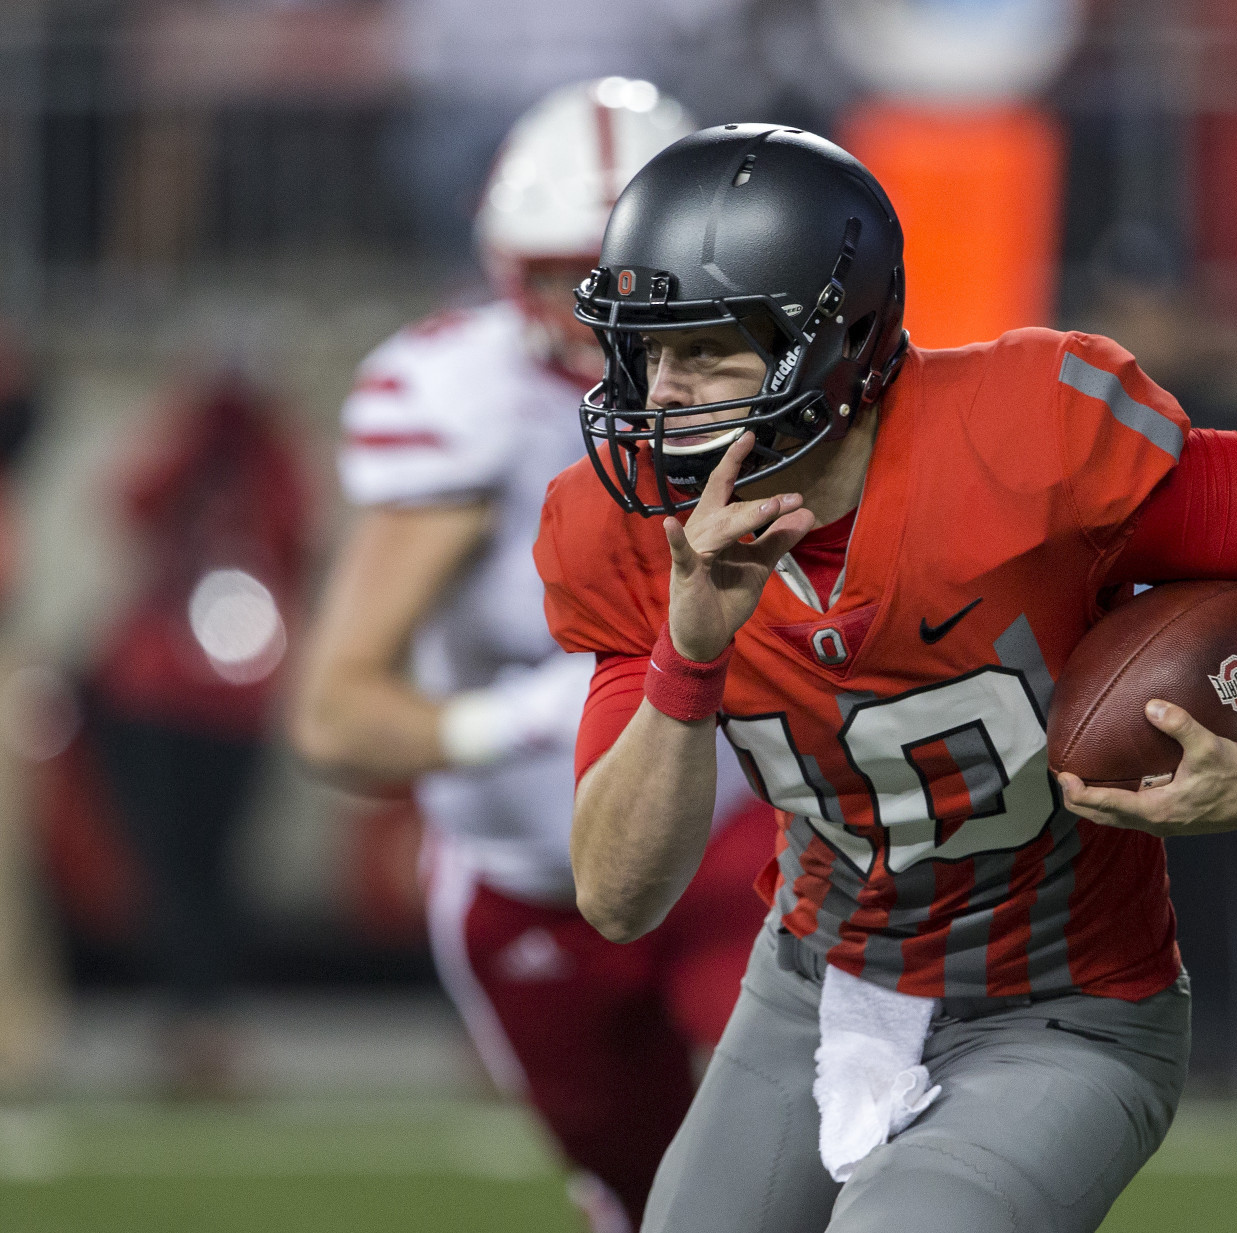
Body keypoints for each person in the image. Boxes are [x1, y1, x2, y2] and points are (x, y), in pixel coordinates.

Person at [535, 125, 1237, 1232]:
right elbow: (618, 897)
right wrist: (690, 652)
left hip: (1059, 1008)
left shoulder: (1023, 437)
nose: (659, 397)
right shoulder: (619, 529)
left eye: (704, 353)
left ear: (831, 345)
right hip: (818, 986)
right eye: (643, 355)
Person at [291, 81, 773, 1233]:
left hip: (726, 838)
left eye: (620, 270)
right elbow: (334, 719)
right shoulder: (462, 398)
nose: (591, 307)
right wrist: (520, 720)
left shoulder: (766, 374)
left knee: (820, 1137)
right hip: (525, 872)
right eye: (558, 271)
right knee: (641, 1196)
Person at [86, 367, 309, 1096]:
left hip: (236, 698)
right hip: (155, 693)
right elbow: (130, 501)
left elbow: (298, 532)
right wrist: (194, 425)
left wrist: (256, 429)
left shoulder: (267, 460)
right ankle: (186, 1019)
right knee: (170, 866)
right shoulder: (185, 447)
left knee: (217, 866)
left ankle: (207, 1021)